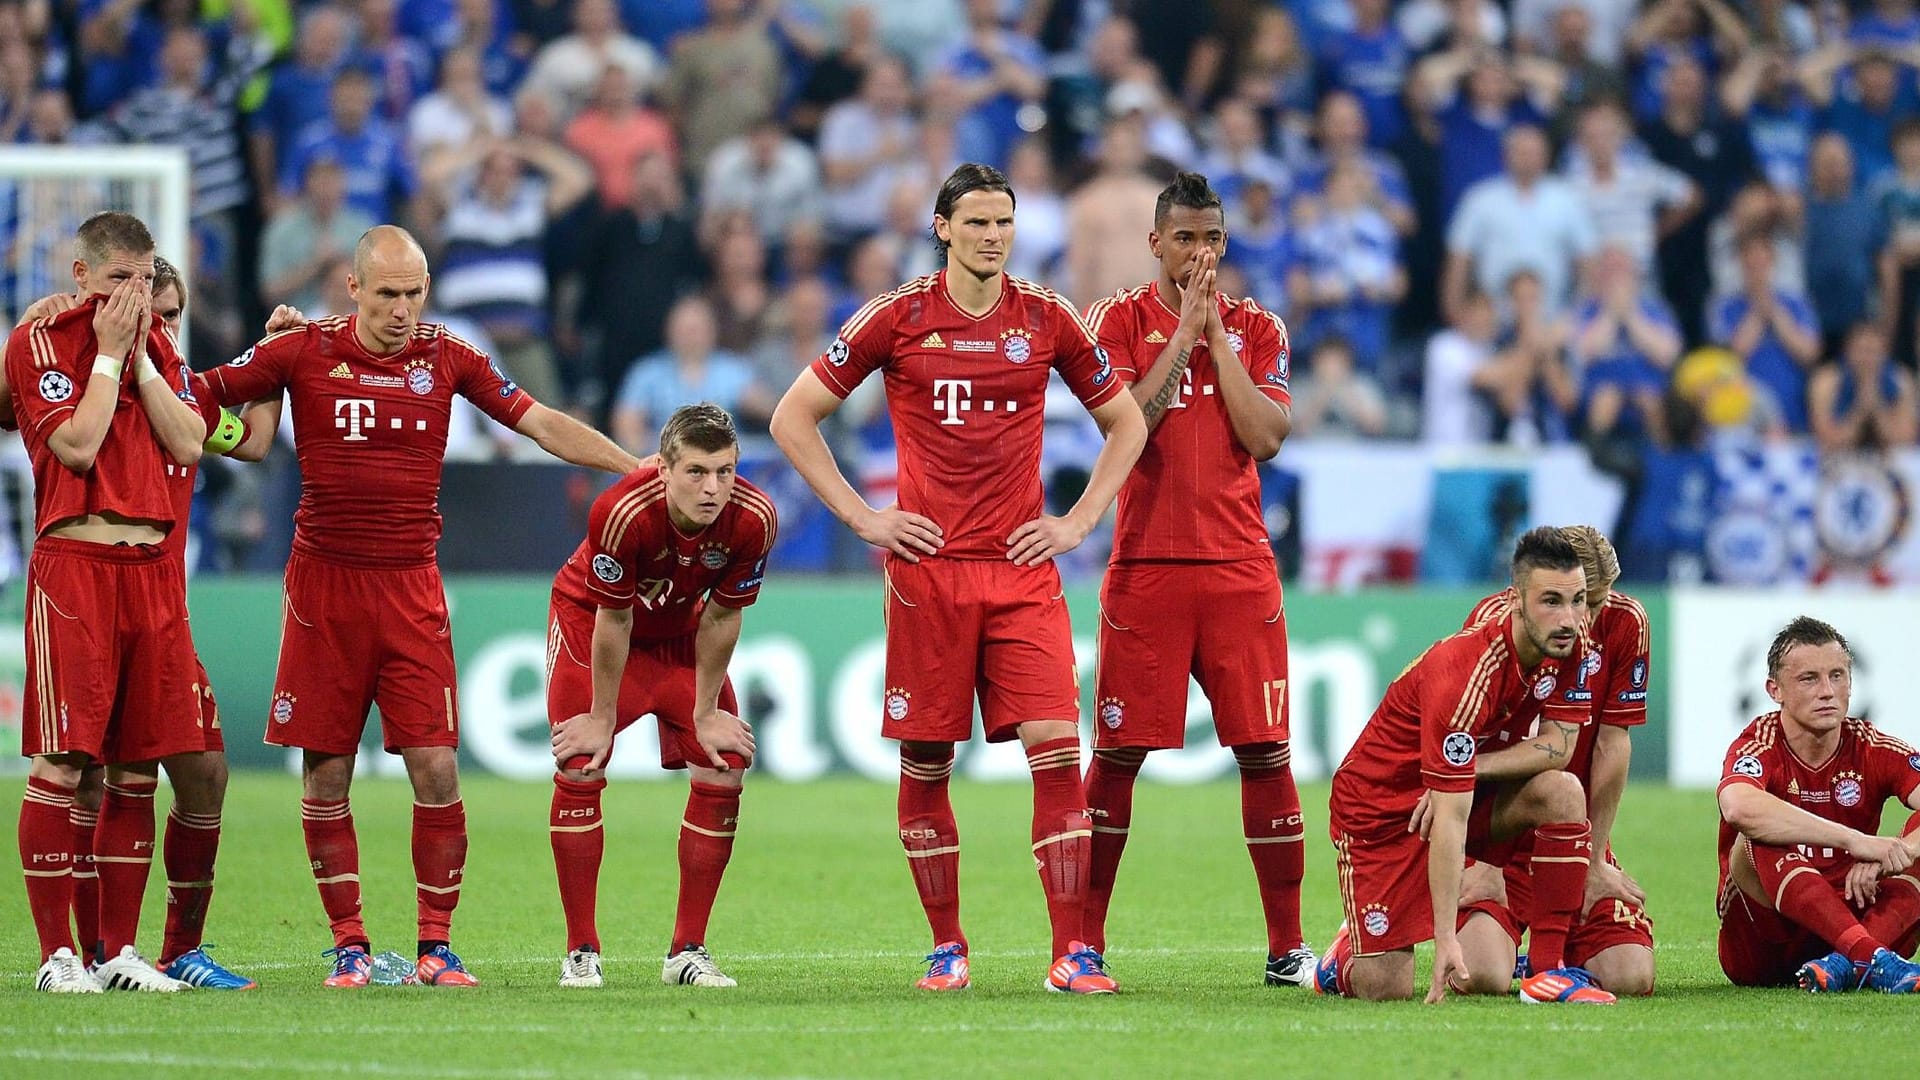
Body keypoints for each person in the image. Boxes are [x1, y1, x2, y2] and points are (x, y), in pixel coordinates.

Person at [202, 225, 637, 988]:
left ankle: (435, 947)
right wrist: (170, 397)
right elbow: (201, 394)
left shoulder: (449, 356)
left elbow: (538, 421)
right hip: (323, 590)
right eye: (390, 294)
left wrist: (634, 467)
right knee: (326, 773)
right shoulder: (300, 350)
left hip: (411, 588)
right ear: (355, 288)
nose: (404, 310)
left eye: (415, 294)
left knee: (436, 769)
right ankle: (349, 946)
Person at [770, 163, 1148, 993]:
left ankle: (1071, 953)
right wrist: (866, 519)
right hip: (928, 577)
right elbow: (791, 417)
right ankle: (948, 946)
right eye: (976, 222)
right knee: (928, 762)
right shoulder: (898, 317)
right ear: (942, 227)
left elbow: (1126, 423)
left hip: (1020, 572)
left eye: (1004, 223)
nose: (993, 237)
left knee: (1057, 748)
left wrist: (1078, 522)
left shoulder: (1046, 318)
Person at [7, 257, 289, 990]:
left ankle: (166, 947)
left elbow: (252, 439)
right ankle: (84, 950)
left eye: (166, 315)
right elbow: (25, 406)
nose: (151, 325)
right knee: (86, 772)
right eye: (143, 310)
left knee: (200, 771)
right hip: (95, 586)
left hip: (161, 603)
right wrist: (58, 322)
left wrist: (278, 360)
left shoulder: (187, 389)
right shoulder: (71, 363)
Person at [1077, 171, 1309, 986]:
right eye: (1185, 238)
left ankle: (1286, 949)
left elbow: (1267, 436)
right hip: (1146, 570)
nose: (1200, 253)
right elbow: (1125, 427)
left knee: (1266, 750)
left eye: (1212, 239)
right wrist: (1182, 337)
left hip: (1240, 571)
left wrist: (1218, 342)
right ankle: (1083, 944)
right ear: (1155, 243)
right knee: (1116, 756)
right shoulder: (1114, 322)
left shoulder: (1259, 328)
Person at [7, 212, 211, 992]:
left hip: (153, 571)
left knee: (137, 770)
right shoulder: (40, 341)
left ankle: (118, 953)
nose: (137, 292)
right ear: (83, 274)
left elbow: (190, 443)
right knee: (63, 762)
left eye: (147, 274)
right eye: (122, 276)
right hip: (77, 568)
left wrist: (144, 363)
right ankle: (58, 955)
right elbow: (78, 445)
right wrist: (108, 357)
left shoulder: (156, 343)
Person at [1318, 527, 1616, 1005]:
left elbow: (1558, 747)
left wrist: (1466, 771)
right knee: (1386, 988)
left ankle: (1548, 970)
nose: (1570, 618)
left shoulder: (1572, 645)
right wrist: (1444, 939)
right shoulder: (1466, 671)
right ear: (1516, 600)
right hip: (1381, 810)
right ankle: (1345, 958)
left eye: (1579, 600)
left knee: (1561, 792)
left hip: (1459, 792)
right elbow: (1448, 820)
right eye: (1551, 601)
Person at [546, 404, 771, 989]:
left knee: (726, 762)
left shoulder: (753, 518)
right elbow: (613, 620)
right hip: (593, 624)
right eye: (696, 472)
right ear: (663, 469)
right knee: (580, 760)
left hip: (680, 635)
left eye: (724, 471)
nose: (713, 487)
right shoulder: (622, 512)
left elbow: (723, 614)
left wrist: (704, 714)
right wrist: (599, 716)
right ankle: (580, 951)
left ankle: (687, 951)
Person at [1449, 527, 1657, 999]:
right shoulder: (1494, 622)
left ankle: (1545, 956)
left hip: (1568, 832)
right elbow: (1470, 742)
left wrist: (1595, 857)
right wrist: (1484, 857)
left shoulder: (1627, 622)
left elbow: (1611, 745)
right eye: (1577, 601)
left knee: (1632, 976)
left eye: (1594, 602)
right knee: (1479, 977)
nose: (1585, 619)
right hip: (1501, 831)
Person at [1716, 616, 1920, 992]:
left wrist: (1894, 855)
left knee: (1918, 847)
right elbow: (1739, 807)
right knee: (1754, 840)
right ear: (1774, 690)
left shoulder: (1872, 746)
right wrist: (1855, 841)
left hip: (1856, 914)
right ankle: (1869, 957)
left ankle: (1850, 960)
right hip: (1768, 944)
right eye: (1809, 679)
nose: (1827, 691)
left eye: (1837, 676)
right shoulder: (1760, 742)